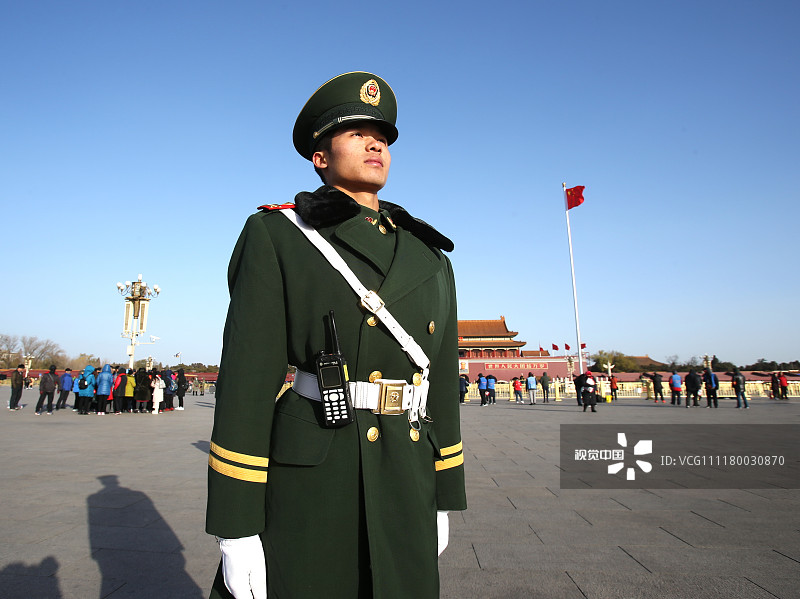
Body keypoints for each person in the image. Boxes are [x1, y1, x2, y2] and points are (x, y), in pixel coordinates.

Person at [206, 72, 465, 599]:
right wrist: (235, 526)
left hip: (407, 474)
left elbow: (440, 387)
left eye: (384, 137)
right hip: (314, 476)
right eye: (356, 134)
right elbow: (246, 385)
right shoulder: (281, 235)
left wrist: (443, 493)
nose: (376, 144)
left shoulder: (430, 256)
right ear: (320, 157)